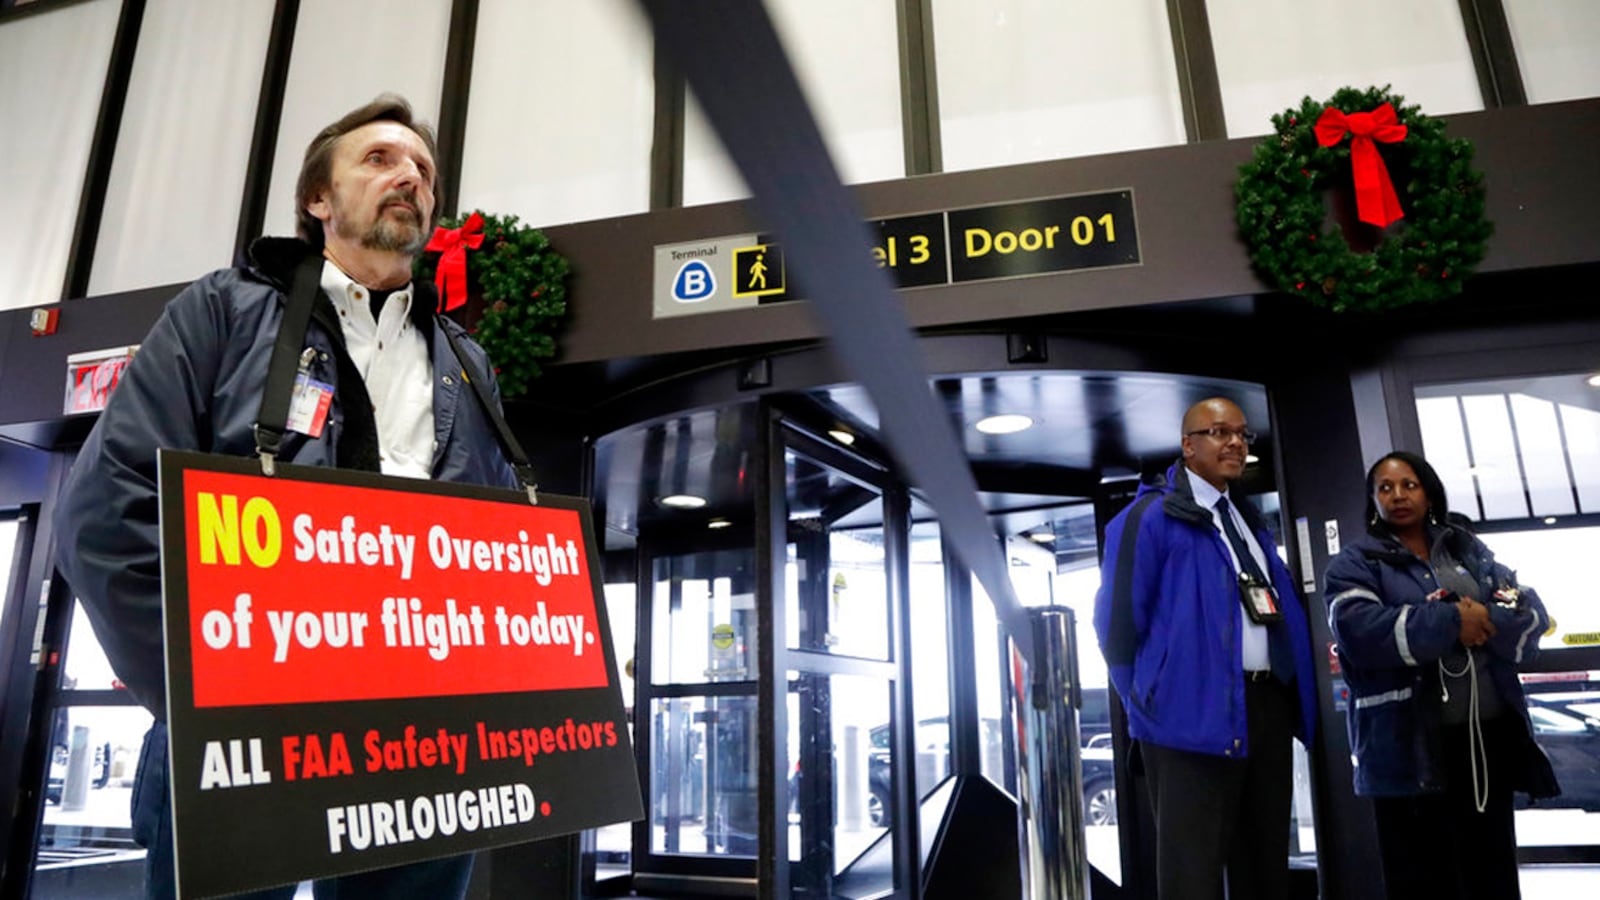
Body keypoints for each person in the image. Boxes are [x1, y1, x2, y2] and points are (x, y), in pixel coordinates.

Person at [53, 95, 520, 900]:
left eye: (424, 172)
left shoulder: (464, 361)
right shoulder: (223, 312)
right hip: (241, 729)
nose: (409, 176)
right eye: (379, 160)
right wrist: (198, 695)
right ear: (318, 200)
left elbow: (502, 550)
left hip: (433, 743)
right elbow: (106, 514)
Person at [1093, 397, 1317, 900]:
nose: (1235, 442)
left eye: (1241, 434)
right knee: (1191, 874)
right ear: (1188, 446)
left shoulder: (1245, 520)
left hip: (1264, 707)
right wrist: (1150, 701)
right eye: (1219, 432)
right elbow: (1116, 626)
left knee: (1265, 867)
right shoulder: (1145, 517)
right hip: (1185, 714)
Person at [1325, 451, 1558, 900]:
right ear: (1372, 500)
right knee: (1421, 876)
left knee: (1490, 869)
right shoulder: (1355, 563)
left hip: (1486, 743)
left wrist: (1479, 617)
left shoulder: (1468, 551)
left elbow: (1530, 614)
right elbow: (1360, 634)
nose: (1398, 496)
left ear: (1428, 492)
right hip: (1406, 748)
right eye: (1385, 488)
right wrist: (1453, 621)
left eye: (1408, 485)